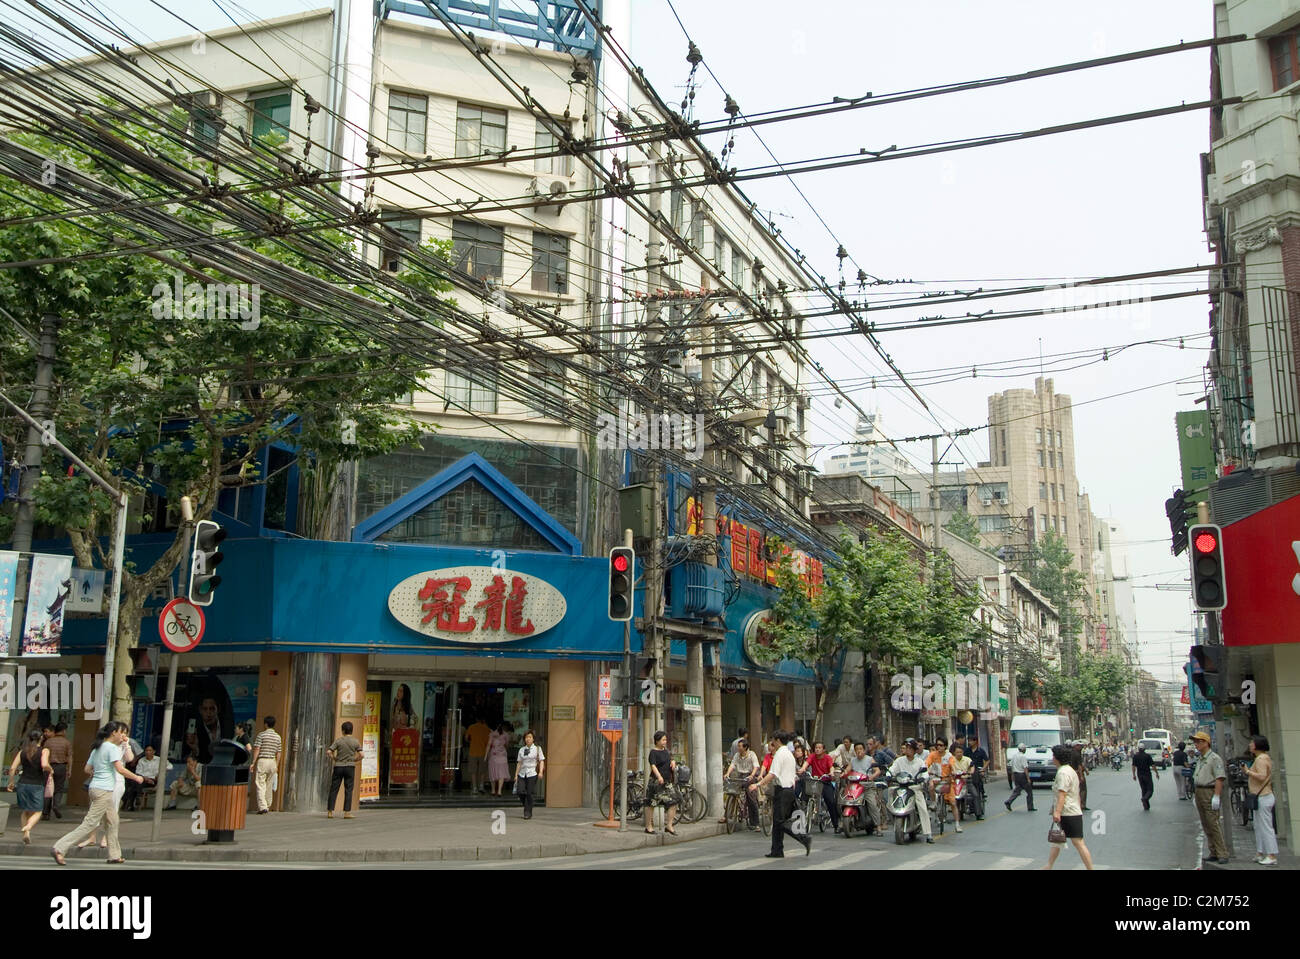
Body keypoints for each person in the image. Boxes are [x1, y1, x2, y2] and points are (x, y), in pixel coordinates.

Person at [51, 722, 145, 865]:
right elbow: (120, 769)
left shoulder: (97, 748)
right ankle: (60, 848)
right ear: (114, 732)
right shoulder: (112, 748)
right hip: (104, 791)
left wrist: (100, 773)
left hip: (95, 788)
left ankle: (114, 855)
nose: (123, 736)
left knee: (113, 822)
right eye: (122, 732)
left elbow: (87, 769)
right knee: (89, 823)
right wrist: (136, 777)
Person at [754, 731, 810, 858]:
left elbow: (773, 774)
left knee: (780, 822)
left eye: (773, 740)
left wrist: (758, 784)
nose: (772, 742)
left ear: (778, 740)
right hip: (789, 790)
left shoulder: (780, 754)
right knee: (780, 821)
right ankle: (777, 850)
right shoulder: (789, 754)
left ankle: (803, 839)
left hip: (783, 791)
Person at [1043, 744, 1093, 870]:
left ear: (1058, 758)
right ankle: (1049, 866)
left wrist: (1057, 812)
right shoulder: (1069, 770)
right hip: (1070, 810)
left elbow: (1062, 793)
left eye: (1053, 756)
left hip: (1068, 813)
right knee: (1057, 840)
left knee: (1078, 843)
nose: (1052, 758)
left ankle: (1090, 868)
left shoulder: (1063, 773)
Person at [1190, 731, 1229, 864]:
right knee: (1206, 824)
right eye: (1195, 741)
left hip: (1209, 792)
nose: (1196, 744)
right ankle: (1213, 851)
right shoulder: (1201, 758)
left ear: (1206, 743)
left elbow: (1219, 778)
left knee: (1213, 824)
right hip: (1199, 791)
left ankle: (1222, 853)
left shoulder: (1214, 758)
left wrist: (1216, 796)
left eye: (1198, 741)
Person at [6, 730, 52, 844]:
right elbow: (45, 764)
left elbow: (12, 768)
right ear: (41, 738)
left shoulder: (22, 751)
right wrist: (51, 769)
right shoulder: (44, 751)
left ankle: (26, 834)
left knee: (25, 811)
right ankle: (29, 827)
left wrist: (11, 782)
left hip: (22, 784)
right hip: (36, 785)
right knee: (38, 811)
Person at [887, 738, 933, 844]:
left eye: (910, 748)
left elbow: (925, 772)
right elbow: (892, 769)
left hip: (914, 787)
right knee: (890, 791)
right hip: (900, 786)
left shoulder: (920, 762)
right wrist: (888, 775)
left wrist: (923, 778)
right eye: (906, 748)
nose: (907, 750)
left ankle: (928, 834)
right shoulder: (899, 761)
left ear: (914, 750)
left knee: (922, 807)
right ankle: (891, 815)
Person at [1244, 736, 1277, 866]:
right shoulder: (1261, 758)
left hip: (1264, 796)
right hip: (1261, 796)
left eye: (1252, 743)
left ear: (1258, 745)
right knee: (1258, 826)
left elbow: (1262, 776)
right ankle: (1260, 852)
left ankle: (1271, 855)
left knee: (1265, 827)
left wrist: (1248, 772)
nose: (1250, 745)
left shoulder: (1261, 759)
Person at [721, 737, 761, 829]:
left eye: (740, 746)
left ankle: (756, 823)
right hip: (740, 775)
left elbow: (756, 766)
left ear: (745, 747)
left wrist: (752, 775)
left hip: (750, 776)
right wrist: (727, 773)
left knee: (751, 798)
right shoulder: (736, 755)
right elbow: (732, 765)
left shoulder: (752, 754)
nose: (738, 748)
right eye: (738, 746)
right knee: (732, 793)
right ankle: (726, 816)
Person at [326, 722, 363, 819]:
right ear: (352, 730)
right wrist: (355, 760)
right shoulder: (355, 741)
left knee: (334, 788)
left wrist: (334, 758)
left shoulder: (339, 741)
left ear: (343, 731)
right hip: (350, 767)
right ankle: (347, 812)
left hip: (338, 766)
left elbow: (329, 751)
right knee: (349, 789)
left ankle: (330, 811)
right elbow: (362, 755)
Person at [644, 730, 677, 836]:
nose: (665, 742)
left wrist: (673, 762)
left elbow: (671, 759)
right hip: (656, 782)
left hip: (668, 781)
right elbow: (653, 765)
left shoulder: (666, 751)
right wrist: (659, 776)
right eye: (663, 740)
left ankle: (669, 826)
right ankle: (649, 826)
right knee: (651, 804)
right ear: (657, 741)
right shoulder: (653, 752)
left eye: (666, 739)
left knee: (673, 802)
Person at [249, 715, 281, 814]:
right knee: (269, 784)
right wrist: (277, 765)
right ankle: (267, 804)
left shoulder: (261, 735)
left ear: (266, 724)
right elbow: (279, 752)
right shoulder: (278, 737)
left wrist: (253, 762)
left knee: (260, 783)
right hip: (273, 761)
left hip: (263, 761)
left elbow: (257, 749)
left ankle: (263, 806)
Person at [806, 740, 839, 832]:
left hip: (825, 782)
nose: (817, 749)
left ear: (823, 750)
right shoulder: (812, 756)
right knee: (805, 796)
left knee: (831, 802)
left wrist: (831, 773)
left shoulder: (828, 758)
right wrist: (802, 769)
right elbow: (806, 763)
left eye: (819, 748)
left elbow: (831, 767)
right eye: (816, 748)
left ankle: (836, 825)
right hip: (815, 781)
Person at [939, 742, 971, 833]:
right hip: (940, 781)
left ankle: (957, 824)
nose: (939, 747)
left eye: (941, 745)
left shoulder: (950, 757)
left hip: (952, 782)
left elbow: (952, 766)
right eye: (938, 745)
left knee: (953, 803)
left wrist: (953, 772)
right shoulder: (933, 755)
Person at [513, 729, 545, 820]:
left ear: (533, 739)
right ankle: (528, 805)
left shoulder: (537, 749)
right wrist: (516, 775)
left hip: (532, 773)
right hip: (522, 774)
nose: (528, 739)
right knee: (520, 791)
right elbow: (519, 763)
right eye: (526, 737)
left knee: (529, 793)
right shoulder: (521, 750)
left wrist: (540, 772)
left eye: (530, 737)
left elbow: (541, 761)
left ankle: (527, 812)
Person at [43, 722, 71, 820]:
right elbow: (69, 757)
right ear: (63, 731)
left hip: (49, 768)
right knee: (58, 789)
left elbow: (44, 755)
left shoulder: (48, 742)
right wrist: (69, 769)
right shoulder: (67, 742)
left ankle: (45, 813)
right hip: (61, 767)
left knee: (48, 790)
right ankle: (56, 805)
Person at [124, 745, 160, 811]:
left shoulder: (159, 760)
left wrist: (159, 774)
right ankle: (138, 797)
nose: (148, 752)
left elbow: (170, 766)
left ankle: (130, 803)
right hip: (142, 779)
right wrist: (145, 778)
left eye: (150, 750)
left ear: (154, 752)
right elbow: (138, 772)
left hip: (153, 780)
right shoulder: (141, 760)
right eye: (146, 750)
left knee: (135, 783)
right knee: (135, 782)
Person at [465, 715, 492, 793]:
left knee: (473, 770)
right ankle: (481, 786)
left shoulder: (471, 727)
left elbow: (466, 738)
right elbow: (489, 742)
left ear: (476, 719)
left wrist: (471, 742)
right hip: (483, 752)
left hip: (473, 751)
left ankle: (474, 787)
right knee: (482, 771)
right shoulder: (487, 729)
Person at [1005, 742, 1035, 811]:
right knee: (1029, 792)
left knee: (1017, 790)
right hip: (1022, 775)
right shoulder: (1023, 757)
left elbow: (1012, 766)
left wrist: (1012, 775)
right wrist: (1028, 779)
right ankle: (1030, 807)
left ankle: (1009, 802)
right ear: (1023, 749)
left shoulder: (1014, 756)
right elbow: (1025, 768)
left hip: (1016, 775)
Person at [1131, 740, 1158, 811]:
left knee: (1143, 789)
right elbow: (1153, 765)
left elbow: (1133, 766)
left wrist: (1134, 775)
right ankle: (1145, 799)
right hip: (1147, 774)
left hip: (1140, 775)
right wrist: (1156, 773)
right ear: (1144, 749)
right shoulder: (1147, 756)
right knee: (1150, 790)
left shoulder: (1135, 756)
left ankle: (1146, 805)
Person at [486, 722, 512, 796]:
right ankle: (499, 791)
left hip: (493, 756)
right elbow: (507, 745)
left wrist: (485, 756)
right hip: (502, 756)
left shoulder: (492, 734)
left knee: (493, 773)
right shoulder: (506, 735)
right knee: (502, 773)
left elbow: (488, 745)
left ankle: (493, 790)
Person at [967, 736, 989, 801]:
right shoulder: (967, 750)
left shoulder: (981, 751)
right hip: (970, 770)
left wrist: (983, 769)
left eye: (971, 741)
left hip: (978, 769)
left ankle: (982, 792)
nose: (969, 742)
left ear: (975, 741)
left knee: (979, 778)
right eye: (969, 741)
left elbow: (987, 760)